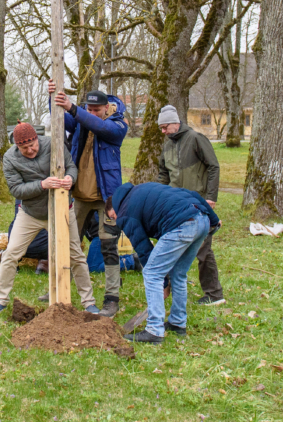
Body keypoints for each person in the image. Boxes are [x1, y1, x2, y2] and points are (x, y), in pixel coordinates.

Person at [0, 123, 97, 314]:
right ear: (17, 146)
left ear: (37, 138)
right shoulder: (10, 158)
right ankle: (1, 299)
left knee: (76, 255)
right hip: (31, 213)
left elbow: (71, 166)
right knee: (11, 253)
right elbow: (16, 190)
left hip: (63, 210)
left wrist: (71, 178)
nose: (30, 150)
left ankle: (89, 302)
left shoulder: (53, 145)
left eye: (33, 145)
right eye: (24, 148)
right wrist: (42, 184)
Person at [49, 80, 129, 317]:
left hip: (107, 197)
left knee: (108, 246)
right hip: (80, 194)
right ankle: (58, 287)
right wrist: (52, 96)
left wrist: (75, 108)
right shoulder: (81, 119)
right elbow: (62, 118)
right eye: (89, 109)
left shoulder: (118, 124)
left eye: (97, 110)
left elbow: (100, 127)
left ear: (107, 108)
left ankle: (112, 297)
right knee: (66, 240)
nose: (92, 113)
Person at [110, 181, 221, 344]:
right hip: (202, 220)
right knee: (179, 273)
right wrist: (214, 218)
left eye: (113, 217)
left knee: (152, 273)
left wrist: (162, 284)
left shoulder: (124, 212)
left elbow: (144, 249)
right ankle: (177, 322)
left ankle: (154, 331)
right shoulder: (144, 189)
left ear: (114, 208)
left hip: (183, 224)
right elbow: (191, 193)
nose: (116, 222)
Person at [155, 105, 224, 306]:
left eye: (165, 127)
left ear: (175, 123)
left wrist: (210, 197)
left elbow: (213, 166)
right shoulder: (167, 146)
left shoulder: (195, 139)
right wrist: (158, 194)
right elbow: (163, 174)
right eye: (161, 128)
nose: (163, 131)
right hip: (177, 205)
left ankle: (214, 294)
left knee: (203, 249)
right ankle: (174, 287)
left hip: (199, 203)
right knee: (174, 245)